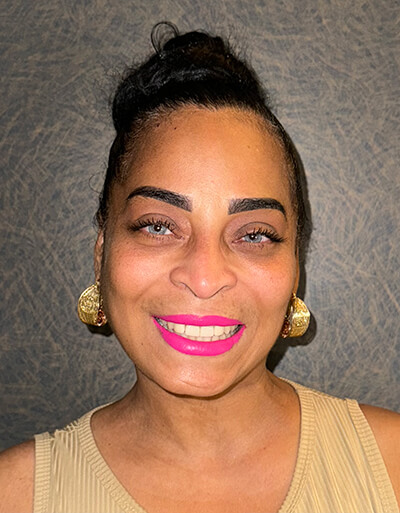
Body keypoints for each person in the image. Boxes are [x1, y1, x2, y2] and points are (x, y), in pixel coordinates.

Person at [0, 23, 399, 513]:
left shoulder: (394, 466)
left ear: (295, 269)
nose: (205, 278)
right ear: (102, 252)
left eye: (255, 235)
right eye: (158, 226)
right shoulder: (14, 495)